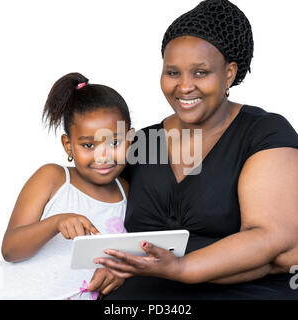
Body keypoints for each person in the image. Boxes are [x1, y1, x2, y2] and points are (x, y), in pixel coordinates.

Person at [94, 0, 298, 299]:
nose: (184, 86)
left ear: (229, 73)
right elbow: (94, 209)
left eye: (200, 73)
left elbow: (274, 242)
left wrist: (181, 267)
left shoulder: (264, 133)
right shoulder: (141, 143)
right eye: (173, 73)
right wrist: (111, 261)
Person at [0, 72, 133, 299]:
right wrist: (56, 223)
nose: (103, 156)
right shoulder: (52, 178)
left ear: (130, 140)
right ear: (68, 146)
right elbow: (10, 250)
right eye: (88, 145)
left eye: (115, 142)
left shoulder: (127, 192)